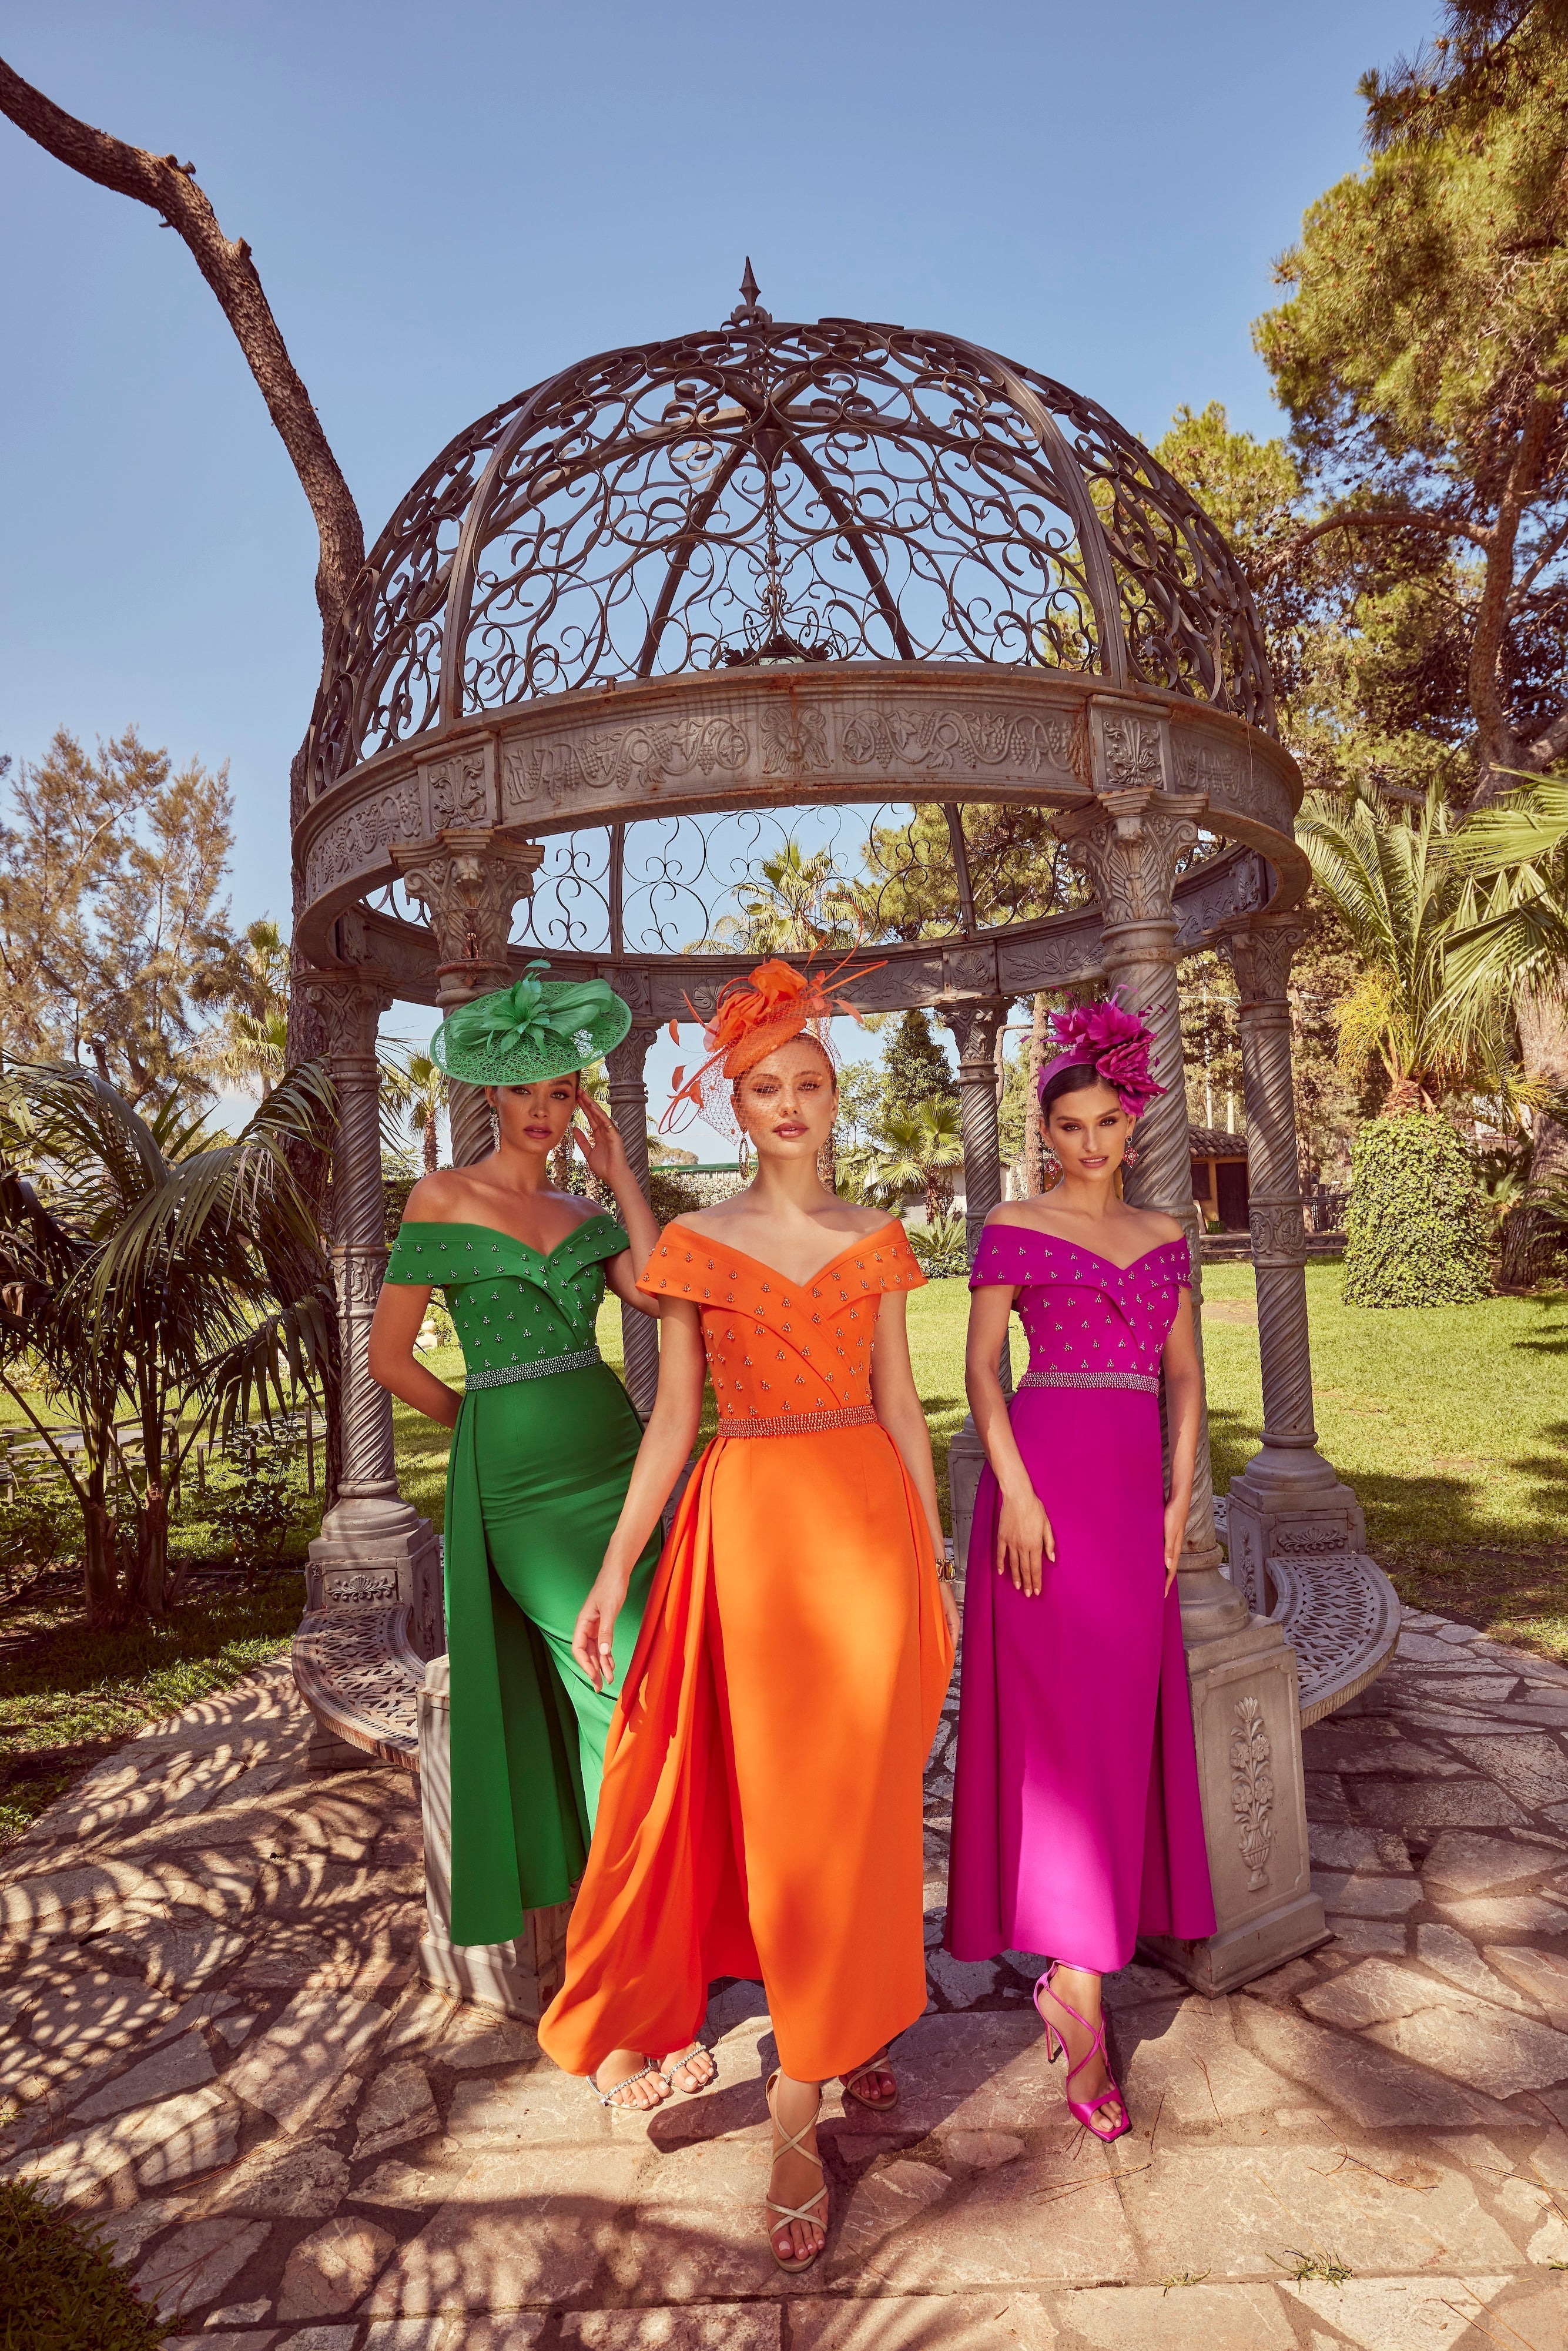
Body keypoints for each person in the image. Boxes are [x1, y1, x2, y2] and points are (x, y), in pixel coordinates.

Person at [537, 959, 959, 2275]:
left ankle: (841, 2028)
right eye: (766, 1086)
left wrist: (934, 1556)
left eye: (809, 1083)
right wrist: (616, 1568)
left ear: (835, 1098)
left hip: (869, 1536)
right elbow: (672, 1420)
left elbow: (902, 1406)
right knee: (786, 1822)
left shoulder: (876, 1235)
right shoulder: (695, 1246)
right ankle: (797, 2108)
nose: (789, 1103)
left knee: (865, 1803)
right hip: (752, 1542)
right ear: (737, 1105)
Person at [368, 962, 713, 2110]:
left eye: (561, 1093)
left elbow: (663, 1299)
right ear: (491, 1094)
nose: (542, 1110)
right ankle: (623, 2020)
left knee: (642, 1708)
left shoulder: (588, 1216)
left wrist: (625, 1181)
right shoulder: (439, 1198)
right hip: (520, 1494)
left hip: (620, 1466)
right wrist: (481, 1434)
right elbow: (390, 1359)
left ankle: (641, 1982)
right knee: (614, 1709)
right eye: (524, 1090)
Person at [945, 994, 1215, 2141]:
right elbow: (979, 1371)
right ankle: (1084, 1993)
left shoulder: (1165, 1236)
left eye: (1107, 1122)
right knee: (1055, 1737)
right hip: (1042, 1500)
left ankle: (1076, 1969)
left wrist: (1178, 1501)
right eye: (1070, 1125)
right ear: (1045, 1132)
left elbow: (1186, 1379)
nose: (1090, 1142)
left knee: (1112, 1731)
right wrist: (1013, 1490)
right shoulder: (1013, 1222)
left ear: (1131, 1124)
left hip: (1130, 1508)